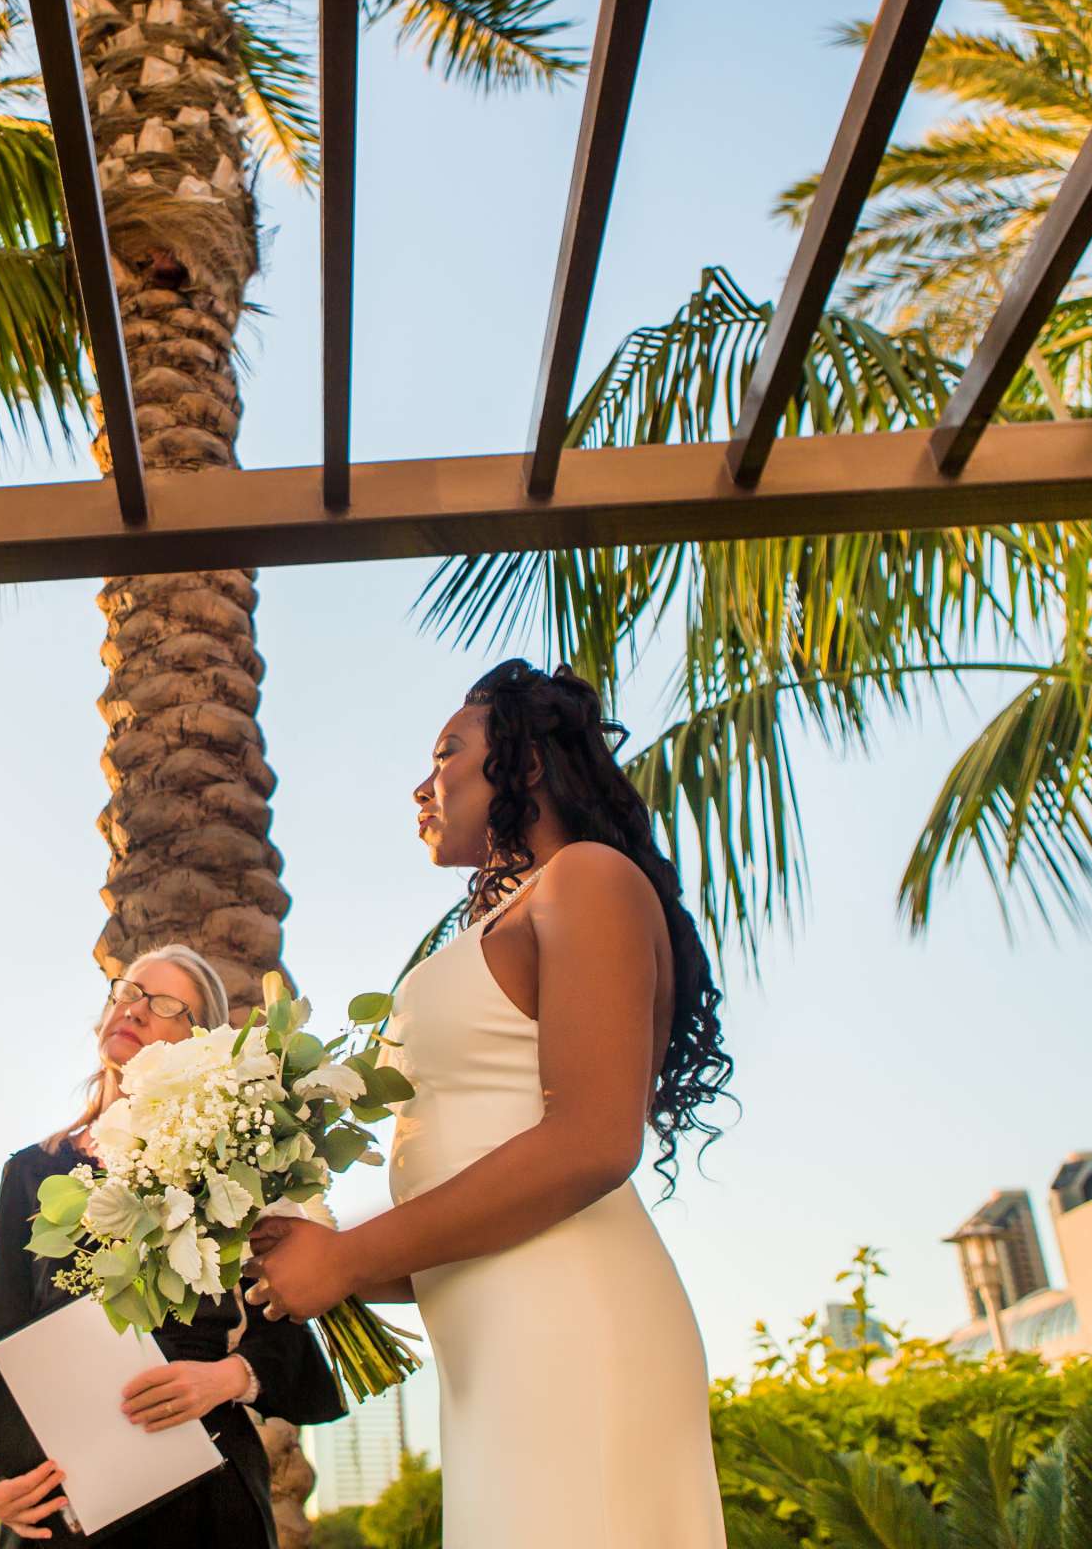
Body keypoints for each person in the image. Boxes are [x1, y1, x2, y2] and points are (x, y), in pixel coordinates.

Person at [246, 660, 733, 1547]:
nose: (421, 786)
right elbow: (464, 1198)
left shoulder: (587, 879)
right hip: (493, 1345)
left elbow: (592, 1142)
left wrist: (350, 1259)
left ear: (526, 763)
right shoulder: (494, 924)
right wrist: (309, 1254)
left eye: (446, 755)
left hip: (573, 1327)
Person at [0, 946, 344, 1546]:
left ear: (199, 1041)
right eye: (126, 993)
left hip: (206, 1494)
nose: (132, 1010)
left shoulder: (234, 1160)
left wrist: (226, 1380)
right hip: (64, 1500)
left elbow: (283, 1329)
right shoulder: (33, 1171)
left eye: (161, 1004)